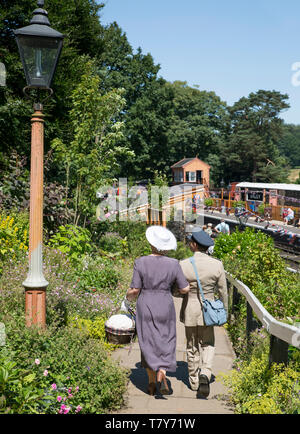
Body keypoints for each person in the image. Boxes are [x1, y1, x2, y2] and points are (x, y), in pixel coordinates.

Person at [125, 226, 190, 396]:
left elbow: (135, 289)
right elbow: (184, 289)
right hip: (165, 304)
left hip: (146, 303)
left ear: (151, 243)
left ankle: (152, 382)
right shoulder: (174, 264)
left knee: (147, 341)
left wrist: (128, 295)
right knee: (166, 339)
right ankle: (163, 371)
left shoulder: (140, 262)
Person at [178, 230, 228, 398]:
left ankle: (194, 381)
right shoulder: (217, 265)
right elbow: (223, 292)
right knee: (208, 343)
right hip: (209, 311)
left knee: (191, 346)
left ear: (194, 245)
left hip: (190, 310)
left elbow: (176, 291)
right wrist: (225, 312)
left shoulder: (183, 264)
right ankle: (205, 373)